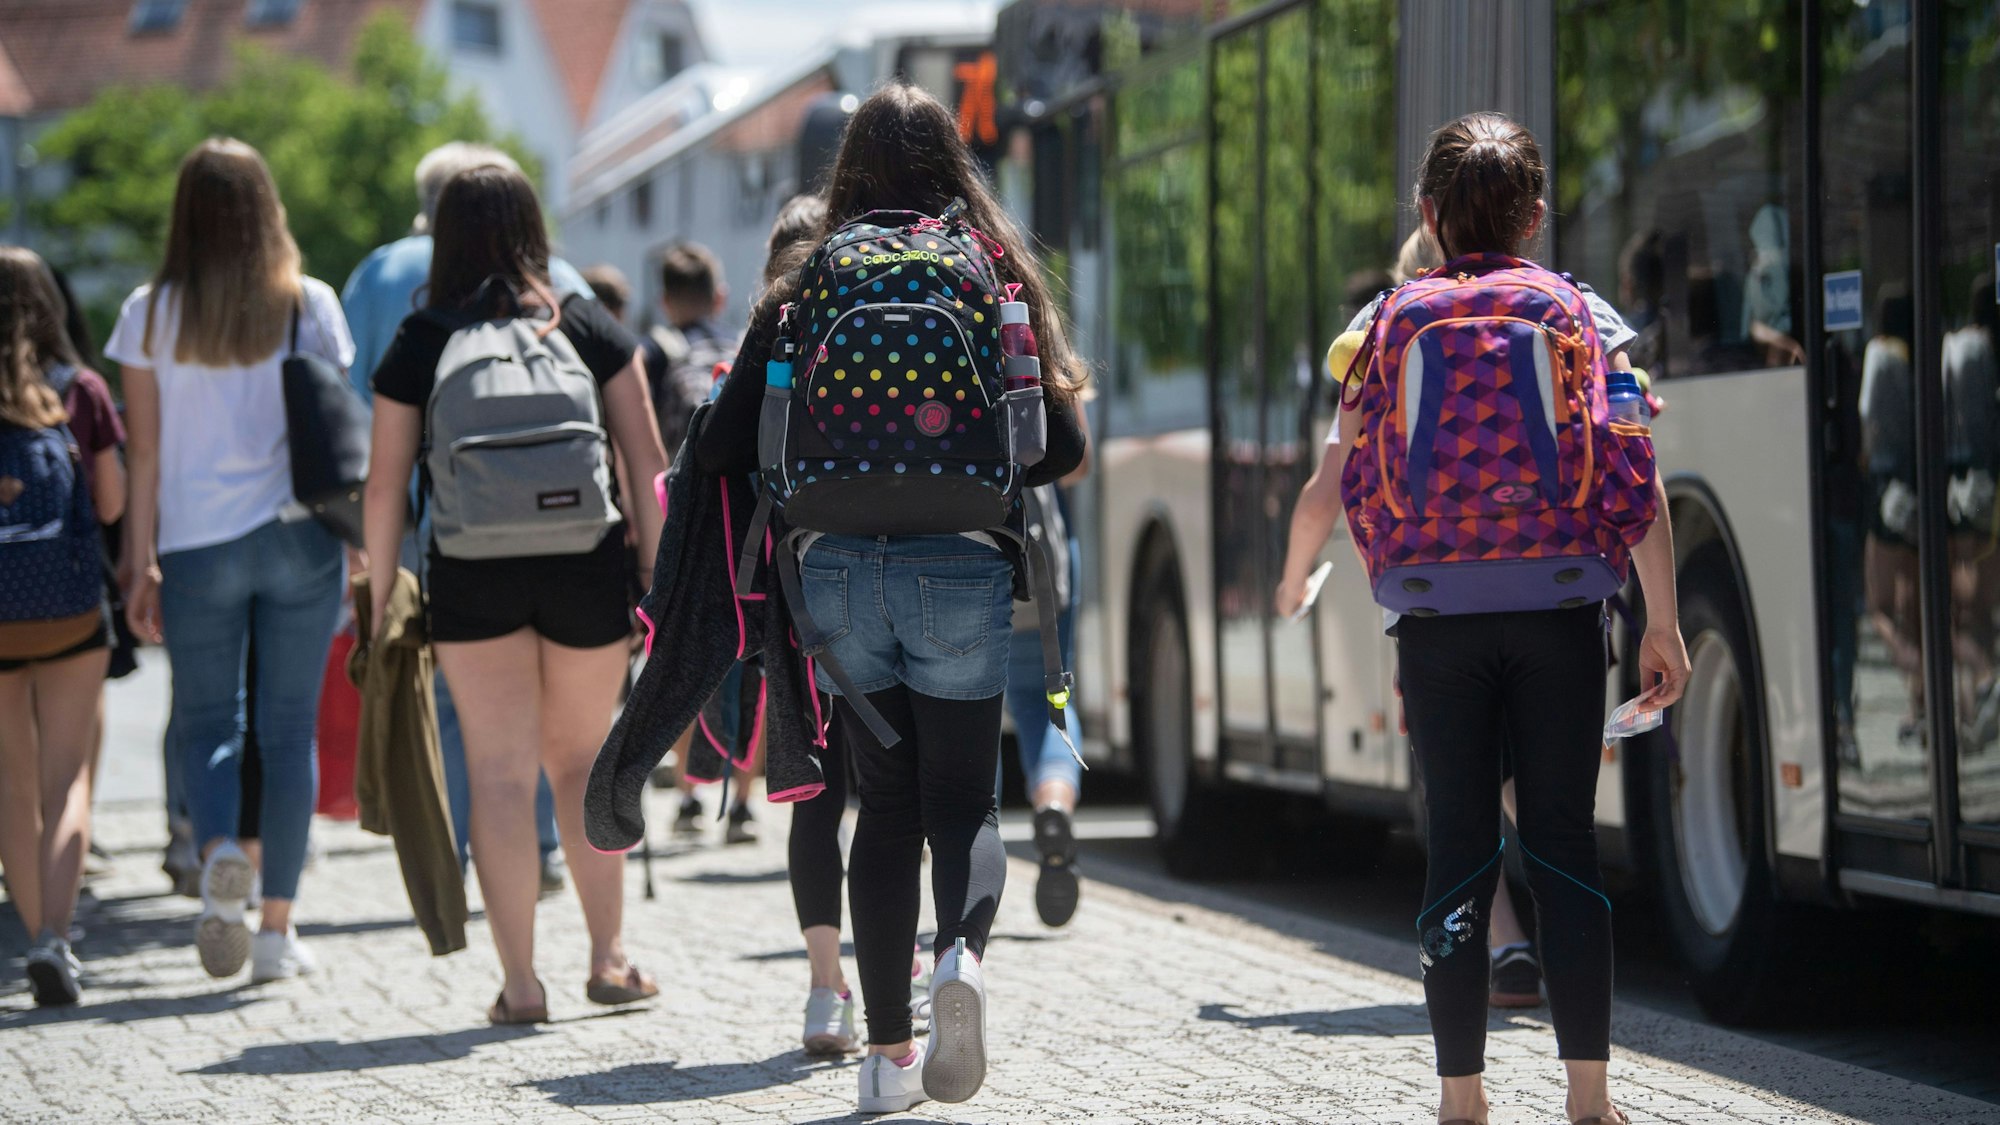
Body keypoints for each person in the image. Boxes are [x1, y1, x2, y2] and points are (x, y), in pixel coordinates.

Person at [696, 83, 1088, 1114]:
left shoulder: (808, 276)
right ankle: (956, 958)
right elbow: (1064, 445)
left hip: (831, 575)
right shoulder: (987, 269)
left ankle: (886, 1060)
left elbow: (726, 442)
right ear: (953, 164)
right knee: (964, 804)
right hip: (960, 560)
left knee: (882, 810)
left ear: (847, 168)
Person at [1302, 112, 1688, 1125]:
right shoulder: (1581, 314)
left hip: (1432, 614)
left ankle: (1460, 1099)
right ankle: (1589, 1099)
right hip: (1563, 606)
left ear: (1427, 216)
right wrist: (1661, 619)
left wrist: (1315, 567)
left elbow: (1340, 470)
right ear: (1535, 216)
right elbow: (1633, 469)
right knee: (1561, 843)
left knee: (1460, 848)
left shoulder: (1384, 323)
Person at [361, 162, 669, 1025]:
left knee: (498, 773)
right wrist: (653, 573)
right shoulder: (586, 324)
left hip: (469, 571)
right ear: (535, 229)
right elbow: (647, 462)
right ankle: (610, 957)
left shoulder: (423, 338)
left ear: (443, 235)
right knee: (582, 763)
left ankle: (521, 985)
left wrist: (384, 596)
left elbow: (383, 486)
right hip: (585, 566)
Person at [110, 138, 353, 984]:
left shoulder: (148, 311)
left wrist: (138, 562)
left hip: (196, 543)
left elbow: (142, 452)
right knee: (289, 733)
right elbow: (336, 432)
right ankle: (278, 933)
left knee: (208, 725)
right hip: (298, 538)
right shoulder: (308, 302)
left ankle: (218, 857)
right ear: (268, 209)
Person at [340, 141, 576, 897]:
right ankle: (538, 843)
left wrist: (368, 554)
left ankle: (468, 842)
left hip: (430, 511)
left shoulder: (381, 275)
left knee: (447, 688)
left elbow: (356, 400)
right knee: (539, 690)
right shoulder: (558, 281)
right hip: (558, 519)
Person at [0, 246, 125, 1006]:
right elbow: (109, 507)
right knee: (67, 775)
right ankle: (56, 938)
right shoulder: (79, 389)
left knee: (13, 787)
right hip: (71, 608)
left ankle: (29, 935)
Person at [644, 241, 758, 842]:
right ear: (716, 295)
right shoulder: (741, 350)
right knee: (750, 656)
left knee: (683, 656)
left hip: (683, 527)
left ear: (663, 299)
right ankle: (741, 803)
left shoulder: (654, 352)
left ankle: (689, 797)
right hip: (745, 526)